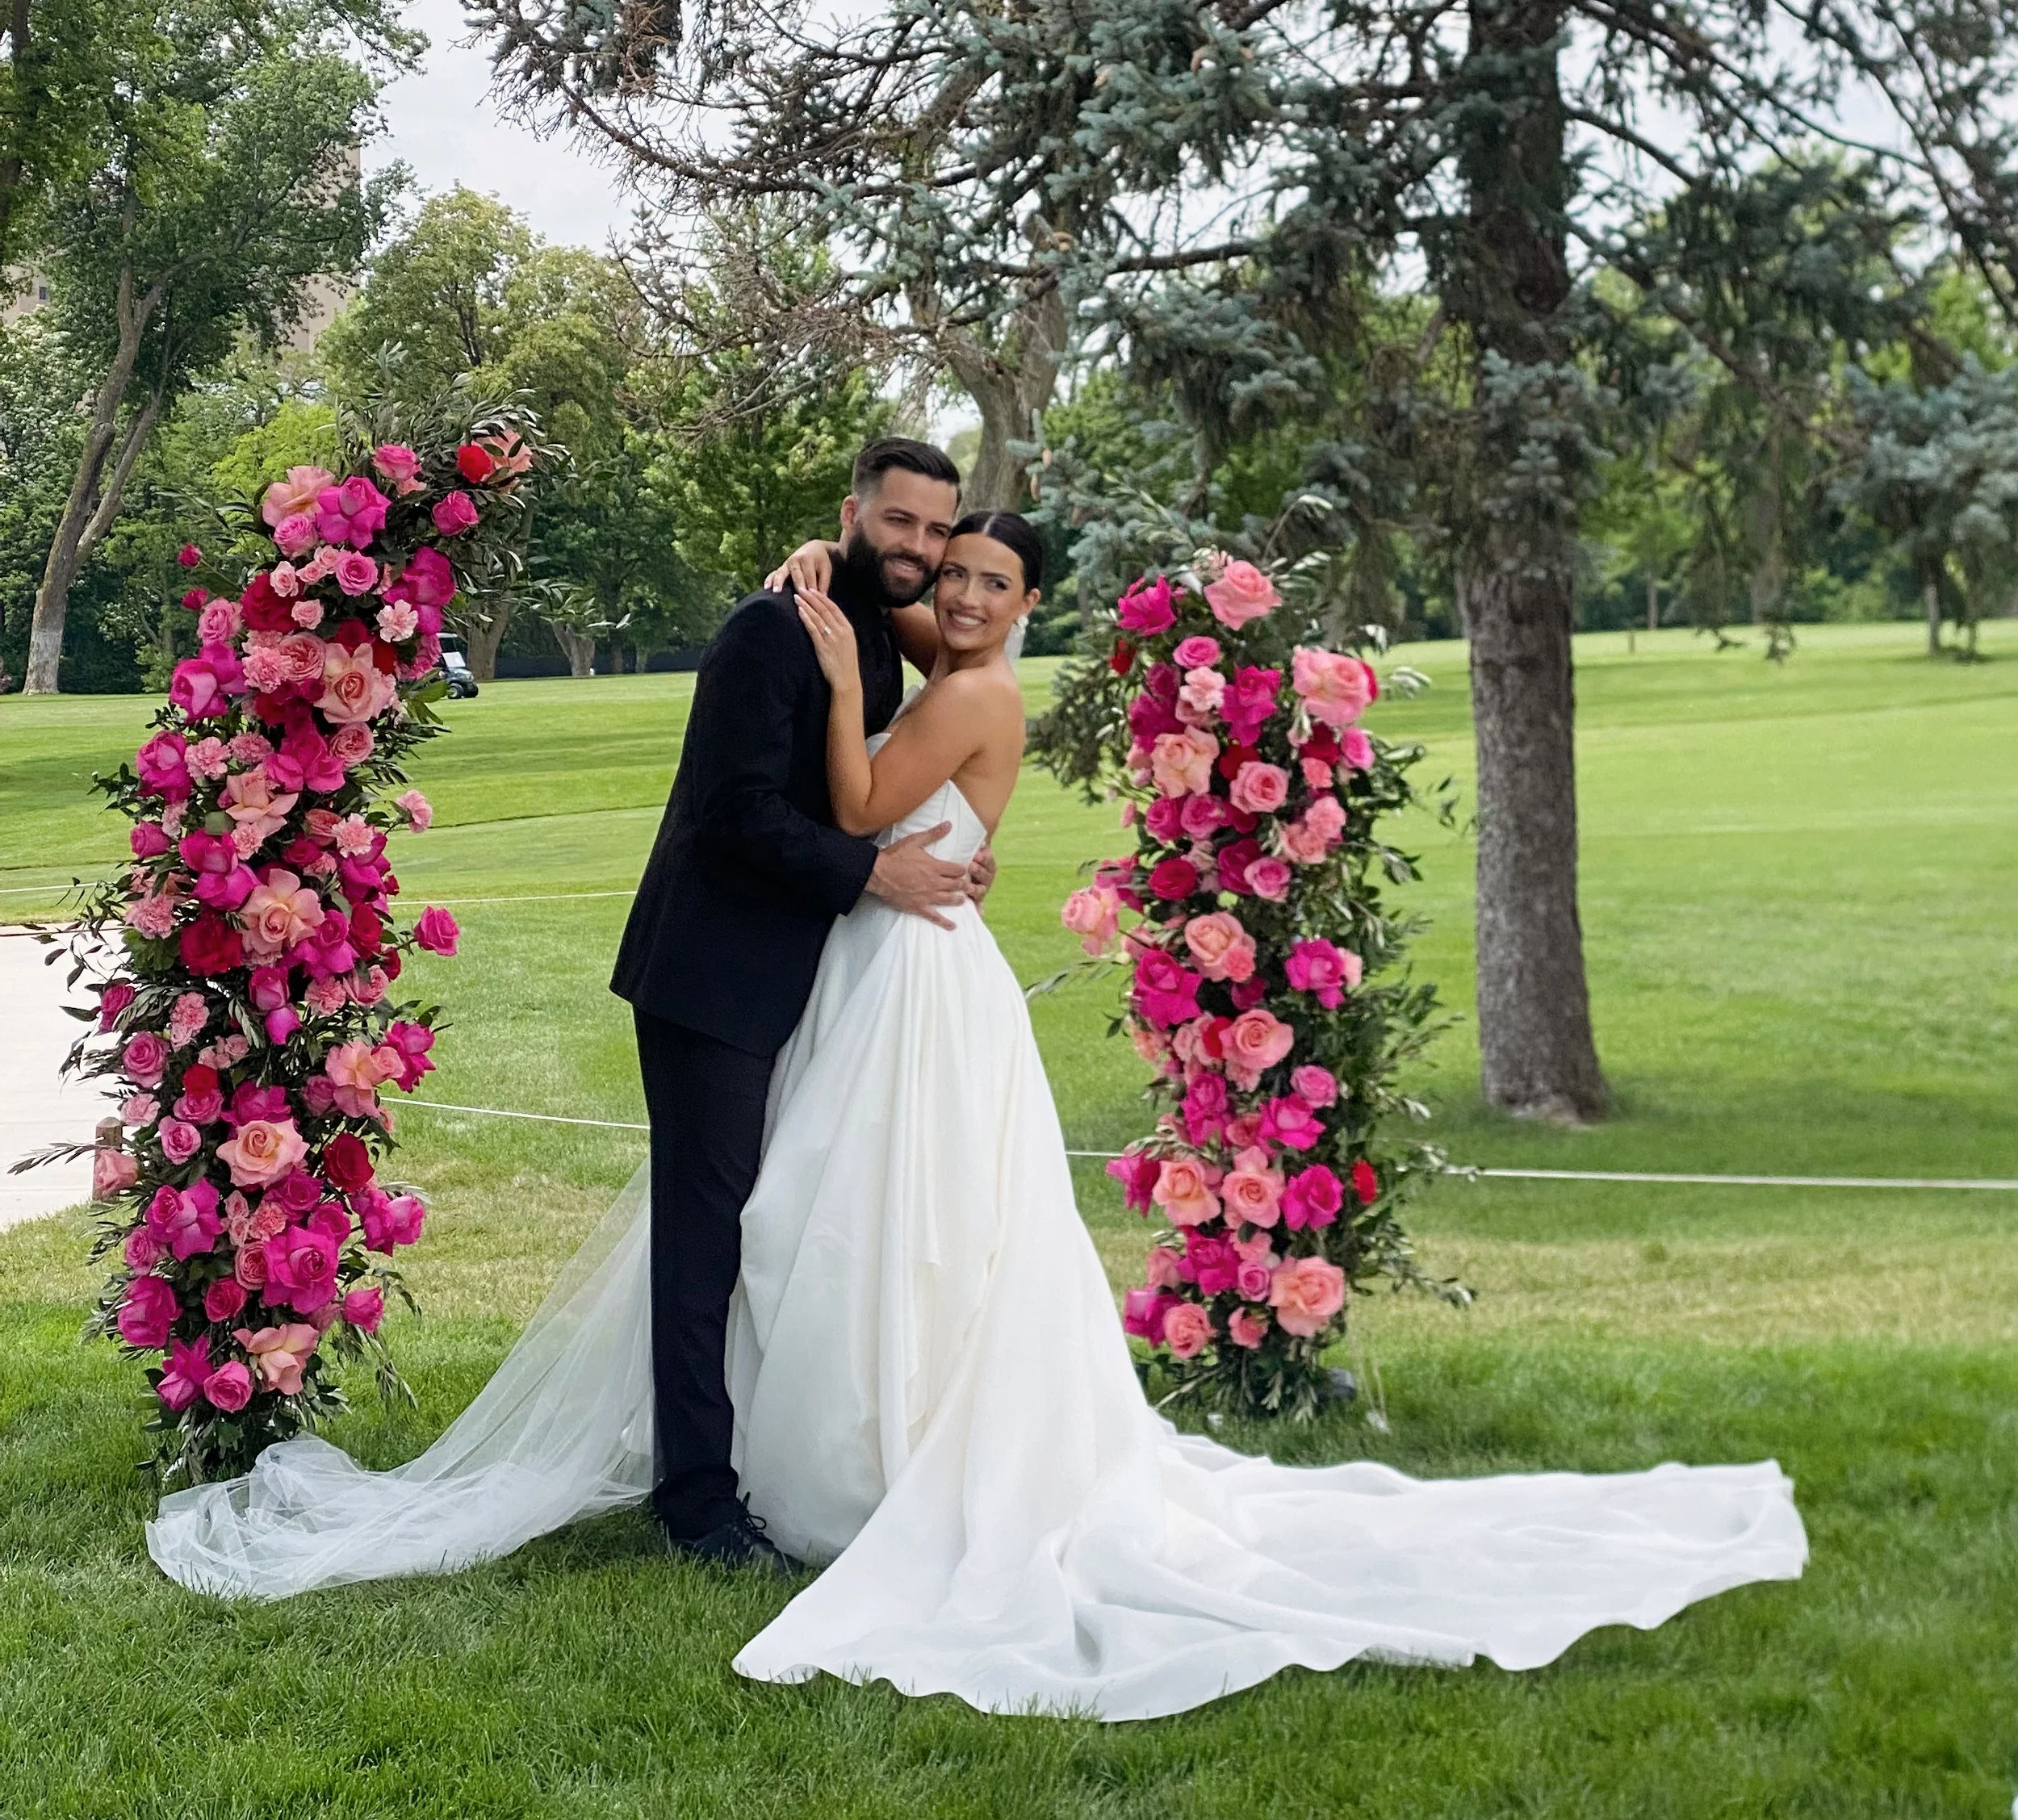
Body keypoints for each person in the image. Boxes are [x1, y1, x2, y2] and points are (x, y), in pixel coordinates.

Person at [150, 500, 1805, 1722]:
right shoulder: (901, 650)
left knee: (885, 1224)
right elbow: (852, 762)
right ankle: (771, 1458)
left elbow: (864, 802)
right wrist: (818, 605)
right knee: (835, 1216)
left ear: (1017, 609)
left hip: (914, 983)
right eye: (948, 575)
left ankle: (857, 1462)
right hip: (876, 973)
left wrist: (826, 656)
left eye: (990, 585)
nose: (961, 596)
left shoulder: (965, 694)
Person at [608, 433, 988, 1571]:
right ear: (856, 511)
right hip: (712, 975)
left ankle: (746, 1460)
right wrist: (877, 874)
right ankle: (696, 1508)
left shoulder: (870, 622)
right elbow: (730, 810)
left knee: (768, 1230)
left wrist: (948, 849)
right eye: (899, 522)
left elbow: (905, 740)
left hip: (802, 976)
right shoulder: (768, 631)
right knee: (705, 1239)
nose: (919, 547)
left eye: (936, 528)